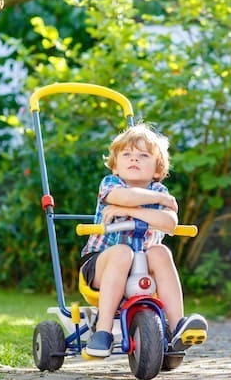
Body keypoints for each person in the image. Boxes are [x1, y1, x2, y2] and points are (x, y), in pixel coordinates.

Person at [80, 123, 208, 357]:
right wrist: (161, 201)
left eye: (143, 156)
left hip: (143, 268)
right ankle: (103, 331)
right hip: (102, 263)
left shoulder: (160, 189)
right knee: (122, 252)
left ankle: (178, 325)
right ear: (115, 165)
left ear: (157, 170)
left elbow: (169, 223)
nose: (134, 159)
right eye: (127, 154)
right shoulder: (111, 183)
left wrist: (139, 211)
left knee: (160, 252)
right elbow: (124, 197)